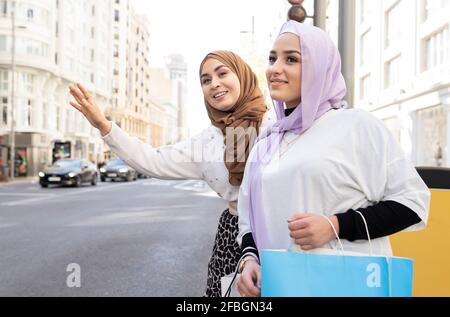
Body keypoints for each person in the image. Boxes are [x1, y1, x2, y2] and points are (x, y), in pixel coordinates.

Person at [236, 21, 431, 297]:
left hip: (345, 285)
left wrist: (335, 226)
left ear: (320, 67)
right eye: (272, 58)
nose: (275, 68)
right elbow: (247, 221)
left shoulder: (356, 126)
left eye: (291, 59)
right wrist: (249, 260)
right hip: (279, 286)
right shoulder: (267, 142)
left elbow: (413, 203)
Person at [68, 50, 275, 297]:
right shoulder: (205, 142)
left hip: (277, 232)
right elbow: (153, 161)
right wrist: (104, 126)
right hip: (232, 242)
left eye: (222, 74)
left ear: (242, 76)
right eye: (206, 80)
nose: (214, 84)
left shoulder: (276, 125)